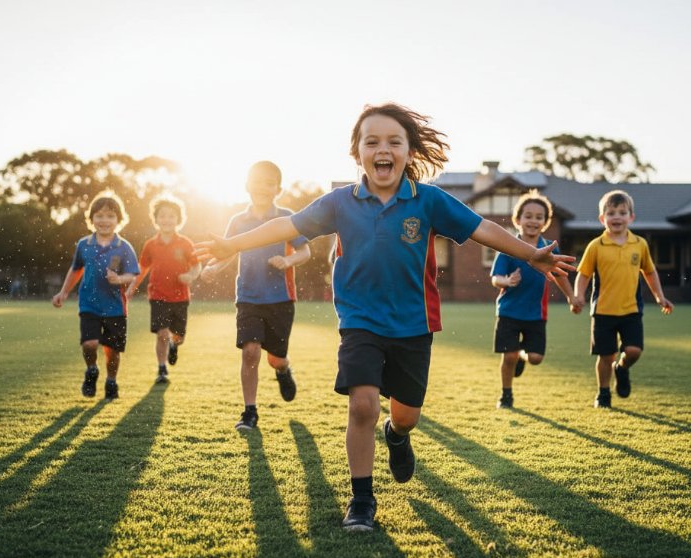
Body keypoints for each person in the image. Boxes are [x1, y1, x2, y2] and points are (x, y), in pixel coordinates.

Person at [196, 103, 575, 532]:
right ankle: (361, 501)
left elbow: (480, 228)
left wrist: (530, 254)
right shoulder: (340, 203)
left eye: (394, 141)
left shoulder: (428, 200)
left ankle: (397, 435)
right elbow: (287, 228)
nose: (383, 149)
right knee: (362, 406)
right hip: (359, 322)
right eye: (371, 141)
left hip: (414, 324)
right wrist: (234, 245)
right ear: (357, 153)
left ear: (409, 152)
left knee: (406, 414)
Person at [200, 161, 311, 432]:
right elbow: (228, 251)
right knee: (250, 352)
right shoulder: (238, 221)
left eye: (269, 183)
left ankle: (283, 371)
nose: (262, 188)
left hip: (281, 299)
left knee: (276, 358)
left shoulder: (287, 217)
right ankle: (250, 412)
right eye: (257, 181)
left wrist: (288, 261)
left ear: (278, 189)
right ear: (247, 185)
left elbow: (306, 252)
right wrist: (214, 267)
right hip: (248, 297)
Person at [571, 189, 674, 409]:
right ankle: (603, 393)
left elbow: (650, 272)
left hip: (631, 310)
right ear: (602, 218)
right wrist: (578, 295)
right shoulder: (596, 246)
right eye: (611, 213)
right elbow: (584, 274)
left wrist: (660, 297)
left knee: (634, 351)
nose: (616, 217)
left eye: (622, 212)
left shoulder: (639, 244)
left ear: (631, 217)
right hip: (603, 311)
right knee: (605, 356)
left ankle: (623, 368)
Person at [490, 191, 577, 409]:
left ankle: (522, 355)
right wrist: (507, 281)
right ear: (517, 220)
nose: (533, 221)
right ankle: (506, 395)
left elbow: (559, 275)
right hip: (508, 311)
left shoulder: (549, 249)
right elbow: (495, 278)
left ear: (545, 222)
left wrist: (571, 297)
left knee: (536, 357)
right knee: (507, 357)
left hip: (536, 313)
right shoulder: (508, 247)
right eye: (528, 216)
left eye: (539, 217)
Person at [51, 191, 140, 400]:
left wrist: (119, 279)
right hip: (89, 304)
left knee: (112, 350)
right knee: (89, 344)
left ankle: (111, 381)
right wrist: (63, 293)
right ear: (91, 219)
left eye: (110, 216)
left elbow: (133, 276)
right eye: (99, 215)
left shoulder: (124, 247)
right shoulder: (84, 244)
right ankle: (91, 370)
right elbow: (76, 269)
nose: (104, 220)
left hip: (115, 307)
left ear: (119, 219)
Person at [127, 195, 201, 384]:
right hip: (158, 295)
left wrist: (191, 276)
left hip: (180, 297)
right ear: (156, 219)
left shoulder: (185, 243)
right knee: (161, 333)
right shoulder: (151, 244)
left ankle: (174, 346)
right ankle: (162, 369)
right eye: (163, 216)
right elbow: (141, 268)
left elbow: (196, 265)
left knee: (179, 336)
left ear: (179, 219)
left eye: (171, 216)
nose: (167, 220)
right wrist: (131, 289)